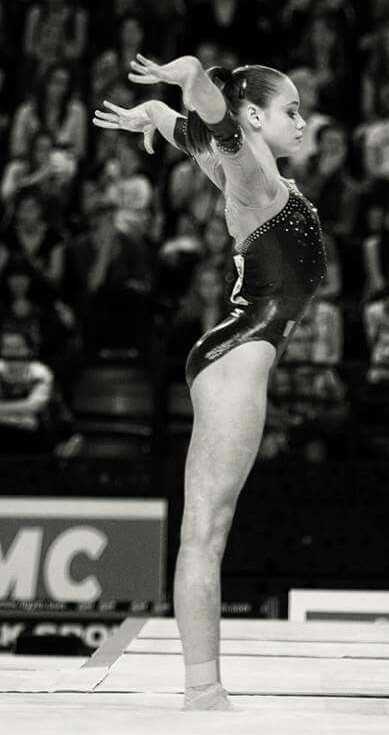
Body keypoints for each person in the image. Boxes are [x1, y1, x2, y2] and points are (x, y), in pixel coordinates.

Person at [93, 53, 326, 710]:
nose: (303, 122)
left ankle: (205, 688)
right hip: (239, 356)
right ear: (256, 115)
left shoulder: (246, 176)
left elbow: (195, 135)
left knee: (209, 528)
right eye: (292, 111)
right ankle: (203, 693)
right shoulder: (258, 181)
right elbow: (216, 125)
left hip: (236, 356)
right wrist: (191, 76)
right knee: (206, 532)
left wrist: (161, 112)